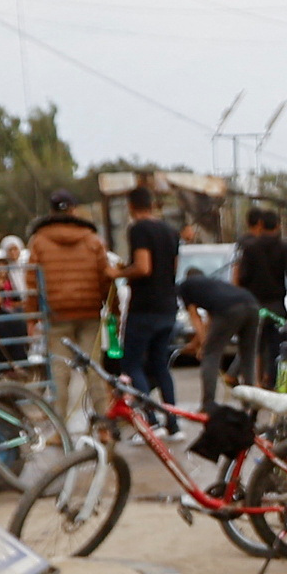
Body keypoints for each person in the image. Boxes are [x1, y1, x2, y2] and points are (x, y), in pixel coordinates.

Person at [27, 189, 116, 420]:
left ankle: (60, 429)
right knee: (94, 369)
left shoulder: (39, 241)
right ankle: (105, 423)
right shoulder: (92, 240)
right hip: (89, 313)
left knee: (59, 373)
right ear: (75, 210)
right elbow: (105, 278)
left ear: (51, 211)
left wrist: (31, 318)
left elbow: (31, 283)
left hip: (56, 316)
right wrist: (114, 311)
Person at [119, 186, 183, 436]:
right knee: (160, 365)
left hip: (144, 307)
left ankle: (150, 421)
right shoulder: (170, 231)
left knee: (133, 364)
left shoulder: (139, 229)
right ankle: (173, 423)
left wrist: (119, 273)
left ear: (132, 206)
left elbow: (143, 267)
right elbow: (173, 267)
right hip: (168, 306)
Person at [232, 208, 287, 389]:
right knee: (279, 346)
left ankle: (255, 383)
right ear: (278, 226)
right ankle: (278, 383)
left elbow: (243, 277)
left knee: (255, 346)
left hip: (256, 305)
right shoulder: (285, 248)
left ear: (261, 225)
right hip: (277, 305)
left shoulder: (250, 248)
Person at [176, 267, 260, 412]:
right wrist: (197, 342)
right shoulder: (214, 285)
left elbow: (196, 318)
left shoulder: (185, 287)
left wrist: (203, 346)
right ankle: (249, 402)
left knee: (211, 354)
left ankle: (208, 404)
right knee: (248, 355)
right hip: (252, 304)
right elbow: (210, 320)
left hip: (229, 309)